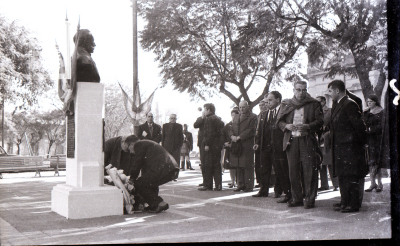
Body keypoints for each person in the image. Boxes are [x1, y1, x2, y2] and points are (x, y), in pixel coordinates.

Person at [277, 81, 323, 209]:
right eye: (298, 89)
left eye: (304, 90)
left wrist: (307, 126)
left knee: (309, 171)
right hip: (291, 141)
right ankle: (296, 198)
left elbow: (320, 121)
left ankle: (309, 199)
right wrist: (287, 126)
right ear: (294, 90)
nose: (301, 92)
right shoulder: (286, 104)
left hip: (307, 140)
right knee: (293, 172)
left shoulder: (313, 103)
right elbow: (279, 122)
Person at [328, 80, 368, 213]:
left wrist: (359, 145)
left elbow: (359, 127)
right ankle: (345, 201)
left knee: (351, 176)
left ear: (337, 91)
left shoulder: (350, 104)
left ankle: (353, 203)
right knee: (342, 176)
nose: (330, 94)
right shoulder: (338, 104)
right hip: (340, 147)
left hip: (350, 148)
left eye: (330, 91)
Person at [254, 92, 292, 203]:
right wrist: (258, 142)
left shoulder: (283, 112)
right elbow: (260, 131)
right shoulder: (264, 114)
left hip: (278, 146)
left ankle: (283, 192)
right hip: (265, 146)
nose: (268, 103)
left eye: (270, 100)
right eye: (267, 101)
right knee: (264, 169)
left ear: (278, 100)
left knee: (280, 169)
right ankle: (263, 190)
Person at [125, 135, 180, 213]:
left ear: (131, 144)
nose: (130, 151)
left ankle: (160, 203)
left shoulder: (138, 145)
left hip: (163, 168)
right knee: (149, 182)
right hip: (170, 168)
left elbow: (137, 164)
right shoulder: (146, 144)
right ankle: (154, 205)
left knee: (138, 184)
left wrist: (131, 179)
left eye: (128, 148)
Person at [229, 101, 257, 192]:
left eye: (243, 107)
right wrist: (232, 136)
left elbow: (251, 130)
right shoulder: (236, 116)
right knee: (238, 165)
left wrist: (240, 137)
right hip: (237, 144)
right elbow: (231, 128)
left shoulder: (253, 117)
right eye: (240, 107)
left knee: (247, 165)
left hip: (246, 144)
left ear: (247, 107)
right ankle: (240, 184)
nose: (241, 109)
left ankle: (249, 186)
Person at [198, 103, 225, 191]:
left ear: (209, 110)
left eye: (205, 109)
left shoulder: (209, 119)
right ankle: (218, 185)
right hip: (217, 145)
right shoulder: (218, 119)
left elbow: (209, 133)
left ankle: (207, 184)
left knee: (208, 164)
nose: (204, 111)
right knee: (217, 165)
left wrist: (206, 144)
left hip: (211, 145)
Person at [316, 96, 339, 192]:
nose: (318, 104)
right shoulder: (316, 112)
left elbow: (334, 125)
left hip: (327, 139)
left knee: (330, 162)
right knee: (321, 163)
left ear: (324, 101)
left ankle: (335, 184)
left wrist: (326, 134)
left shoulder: (330, 111)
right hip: (317, 140)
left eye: (319, 102)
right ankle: (324, 184)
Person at [364, 95, 384, 192]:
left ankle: (380, 183)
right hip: (369, 139)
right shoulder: (367, 112)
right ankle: (372, 183)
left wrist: (371, 129)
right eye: (368, 101)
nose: (369, 103)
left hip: (378, 139)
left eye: (371, 101)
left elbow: (382, 126)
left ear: (375, 102)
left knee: (377, 162)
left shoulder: (381, 111)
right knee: (370, 162)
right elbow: (364, 123)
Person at [221, 107, 239, 188]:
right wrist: (225, 143)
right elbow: (223, 136)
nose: (233, 117)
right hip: (229, 148)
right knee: (231, 165)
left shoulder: (240, 125)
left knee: (238, 165)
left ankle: (238, 182)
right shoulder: (227, 125)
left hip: (237, 148)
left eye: (235, 115)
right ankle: (232, 182)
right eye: (232, 115)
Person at [254, 100, 268, 189]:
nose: (261, 107)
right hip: (258, 141)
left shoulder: (267, 115)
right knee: (258, 163)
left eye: (263, 105)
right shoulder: (259, 116)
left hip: (266, 142)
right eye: (259, 105)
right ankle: (260, 182)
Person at [194, 110, 206, 186]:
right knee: (203, 162)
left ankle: (208, 181)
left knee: (207, 163)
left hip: (209, 144)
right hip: (201, 143)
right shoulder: (200, 119)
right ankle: (204, 180)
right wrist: (202, 118)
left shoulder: (211, 119)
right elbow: (195, 125)